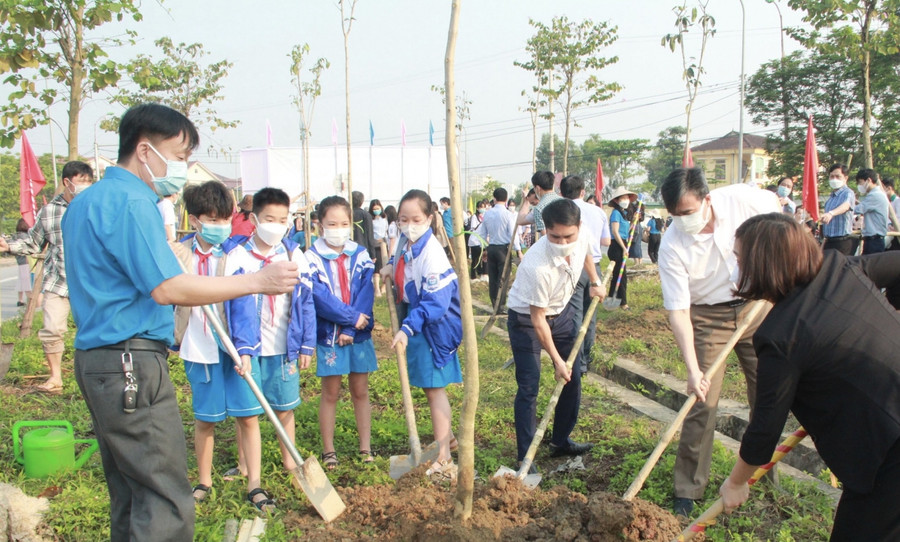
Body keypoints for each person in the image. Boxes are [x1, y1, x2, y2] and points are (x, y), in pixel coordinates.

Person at [61, 103, 299, 541]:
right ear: (145, 149)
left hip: (98, 359)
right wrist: (257, 281)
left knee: (132, 493)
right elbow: (169, 287)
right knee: (165, 497)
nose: (182, 167)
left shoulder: (85, 202)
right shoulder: (133, 202)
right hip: (130, 362)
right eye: (180, 155)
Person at [719, 213, 900, 541]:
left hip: (889, 451)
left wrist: (735, 482)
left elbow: (764, 430)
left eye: (739, 259)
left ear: (763, 265)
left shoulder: (780, 335)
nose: (735, 267)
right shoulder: (839, 267)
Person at [657, 167, 780, 517]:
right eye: (675, 215)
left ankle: (760, 474)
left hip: (758, 304)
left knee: (769, 394)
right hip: (708, 316)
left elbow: (781, 226)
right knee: (701, 401)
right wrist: (693, 370)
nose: (682, 220)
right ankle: (688, 488)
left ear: (707, 199)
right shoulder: (672, 245)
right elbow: (679, 312)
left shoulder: (745, 200)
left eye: (688, 212)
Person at [170, 181, 272, 511]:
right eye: (211, 219)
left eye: (224, 218)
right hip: (198, 348)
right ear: (196, 220)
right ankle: (203, 481)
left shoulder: (236, 255)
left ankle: (254, 483)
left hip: (235, 348)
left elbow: (244, 306)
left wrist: (245, 351)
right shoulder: (179, 255)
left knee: (248, 417)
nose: (219, 225)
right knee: (205, 420)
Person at [506, 199, 604, 472]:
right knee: (529, 385)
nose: (562, 242)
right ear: (545, 231)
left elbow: (585, 253)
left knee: (572, 377)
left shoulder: (581, 236)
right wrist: (556, 360)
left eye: (568, 236)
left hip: (560, 314)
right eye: (555, 237)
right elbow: (537, 320)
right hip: (527, 320)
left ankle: (560, 439)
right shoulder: (537, 266)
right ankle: (525, 455)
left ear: (579, 227)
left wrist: (594, 281)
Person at [381, 189, 462, 480]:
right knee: (431, 387)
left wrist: (406, 329)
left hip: (434, 329)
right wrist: (391, 265)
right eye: (403, 219)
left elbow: (435, 304)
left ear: (429, 218)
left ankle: (444, 456)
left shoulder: (432, 254)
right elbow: (400, 259)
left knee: (434, 389)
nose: (409, 224)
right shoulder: (407, 241)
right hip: (419, 323)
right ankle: (449, 440)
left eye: (416, 218)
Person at [0, 160, 94, 394]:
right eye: (81, 181)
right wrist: (8, 245)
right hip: (58, 281)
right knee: (52, 329)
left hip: (90, 282)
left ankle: (95, 377)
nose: (85, 186)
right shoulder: (50, 211)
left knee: (94, 330)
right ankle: (55, 378)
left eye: (88, 182)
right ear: (67, 182)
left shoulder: (96, 207)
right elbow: (33, 242)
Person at [242, 187, 316, 480]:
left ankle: (290, 461)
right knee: (247, 412)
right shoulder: (239, 254)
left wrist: (307, 344)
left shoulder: (293, 253)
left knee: (285, 407)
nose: (276, 225)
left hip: (283, 346)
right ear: (254, 218)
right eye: (269, 218)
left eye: (282, 219)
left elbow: (307, 301)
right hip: (249, 348)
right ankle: (246, 464)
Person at [306, 195, 376, 469]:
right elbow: (320, 298)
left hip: (358, 334)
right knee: (330, 392)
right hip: (329, 335)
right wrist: (347, 321)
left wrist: (351, 326)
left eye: (344, 223)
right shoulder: (311, 258)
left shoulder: (360, 255)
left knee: (360, 390)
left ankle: (365, 447)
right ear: (320, 224)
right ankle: (329, 450)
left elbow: (365, 293)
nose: (338, 228)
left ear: (351, 223)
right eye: (331, 223)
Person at [560, 175, 611, 373]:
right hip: (594, 267)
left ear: (562, 193)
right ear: (583, 192)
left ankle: (576, 362)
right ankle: (586, 361)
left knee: (574, 317)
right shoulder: (598, 212)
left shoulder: (561, 211)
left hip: (571, 267)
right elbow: (606, 241)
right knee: (589, 318)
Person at [483, 188, 522, 308]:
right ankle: (500, 305)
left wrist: (485, 249)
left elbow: (483, 233)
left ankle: (494, 302)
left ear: (494, 199)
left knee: (493, 277)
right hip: (503, 250)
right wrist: (518, 251)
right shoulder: (508, 215)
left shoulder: (487, 214)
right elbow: (512, 234)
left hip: (491, 248)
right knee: (503, 278)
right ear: (506, 199)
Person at [607, 186, 635, 310]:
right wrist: (624, 248)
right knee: (621, 276)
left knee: (617, 275)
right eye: (623, 198)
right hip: (616, 246)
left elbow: (625, 232)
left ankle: (611, 300)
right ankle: (623, 303)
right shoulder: (616, 213)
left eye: (627, 197)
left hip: (623, 242)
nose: (626, 200)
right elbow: (615, 232)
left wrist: (633, 222)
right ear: (617, 201)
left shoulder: (624, 214)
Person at [821, 164, 858, 255]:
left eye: (838, 176)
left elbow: (846, 206)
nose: (834, 179)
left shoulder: (848, 193)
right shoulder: (831, 198)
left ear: (845, 178)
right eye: (832, 176)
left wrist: (831, 213)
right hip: (829, 241)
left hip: (842, 241)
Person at [854, 168, 889, 255]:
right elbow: (865, 206)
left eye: (860, 182)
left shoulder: (875, 195)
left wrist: (847, 204)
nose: (859, 185)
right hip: (874, 240)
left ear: (869, 180)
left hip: (874, 241)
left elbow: (858, 209)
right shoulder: (877, 194)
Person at [517, 171, 561, 239]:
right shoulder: (566, 202)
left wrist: (526, 201)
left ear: (537, 188)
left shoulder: (539, 209)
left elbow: (546, 238)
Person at [352, 190, 377, 259]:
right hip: (363, 249)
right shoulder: (366, 215)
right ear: (362, 201)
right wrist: (373, 255)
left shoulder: (346, 214)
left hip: (349, 248)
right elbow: (370, 236)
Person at [467, 200, 488, 282]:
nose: (482, 209)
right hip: (475, 240)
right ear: (477, 208)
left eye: (483, 207)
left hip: (482, 241)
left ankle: (483, 274)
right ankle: (473, 276)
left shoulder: (486, 216)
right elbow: (473, 228)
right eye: (480, 207)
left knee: (484, 257)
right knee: (476, 259)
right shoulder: (475, 217)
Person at [370, 199, 387, 296]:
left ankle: (384, 287)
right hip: (375, 245)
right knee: (376, 267)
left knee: (384, 265)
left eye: (378, 208)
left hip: (383, 244)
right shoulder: (371, 220)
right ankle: (376, 288)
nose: (377, 210)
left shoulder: (384, 219)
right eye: (375, 209)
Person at [13, 219, 31, 307]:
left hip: (19, 260)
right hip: (26, 260)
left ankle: (20, 299)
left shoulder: (15, 236)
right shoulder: (26, 236)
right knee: (26, 281)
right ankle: (30, 299)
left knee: (21, 279)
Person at [883, 177, 900, 251]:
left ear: (889, 188)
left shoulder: (897, 201)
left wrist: (891, 225)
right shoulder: (885, 202)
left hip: (893, 233)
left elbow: (898, 217)